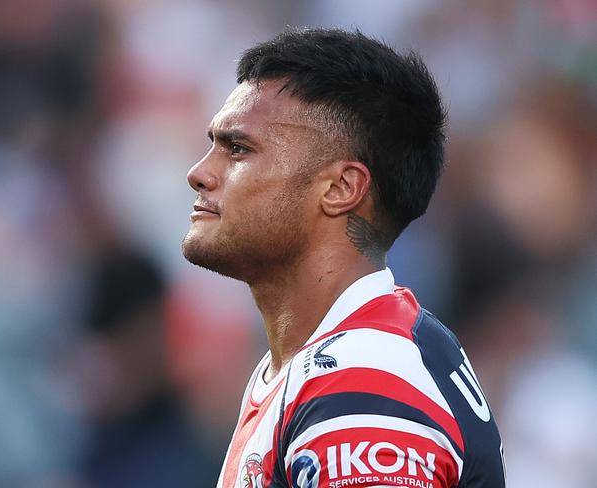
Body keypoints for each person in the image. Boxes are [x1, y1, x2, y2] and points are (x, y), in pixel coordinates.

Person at [182, 28, 505, 488]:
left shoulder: (365, 375)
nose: (199, 173)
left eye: (238, 149)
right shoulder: (340, 357)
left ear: (340, 189)